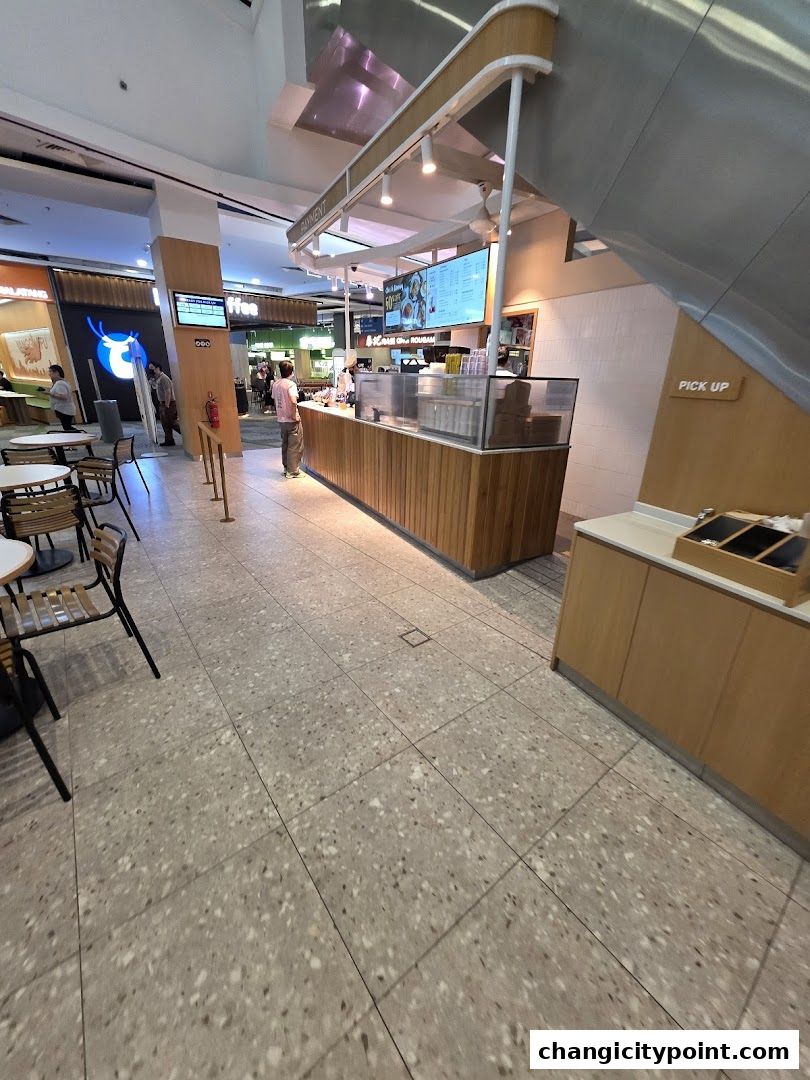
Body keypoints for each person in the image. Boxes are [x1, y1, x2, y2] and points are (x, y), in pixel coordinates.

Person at [271, 360, 303, 478]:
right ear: (291, 371)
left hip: (281, 419)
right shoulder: (291, 385)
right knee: (294, 445)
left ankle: (286, 468)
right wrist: (295, 414)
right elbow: (293, 400)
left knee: (285, 443)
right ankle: (293, 471)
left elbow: (275, 400)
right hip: (291, 419)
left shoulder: (276, 384)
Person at [147, 361, 181, 446]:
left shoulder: (164, 378)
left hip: (169, 403)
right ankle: (169, 440)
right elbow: (157, 388)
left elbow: (168, 392)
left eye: (152, 369)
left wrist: (167, 404)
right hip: (163, 403)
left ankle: (187, 435)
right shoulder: (158, 379)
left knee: (171, 422)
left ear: (157, 368)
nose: (151, 371)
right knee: (165, 422)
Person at [37, 364, 79, 430]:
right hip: (63, 409)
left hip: (65, 410)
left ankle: (80, 436)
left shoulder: (60, 383)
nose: (49, 374)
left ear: (57, 372)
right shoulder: (61, 382)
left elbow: (63, 396)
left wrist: (49, 393)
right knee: (67, 427)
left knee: (67, 428)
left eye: (51, 372)